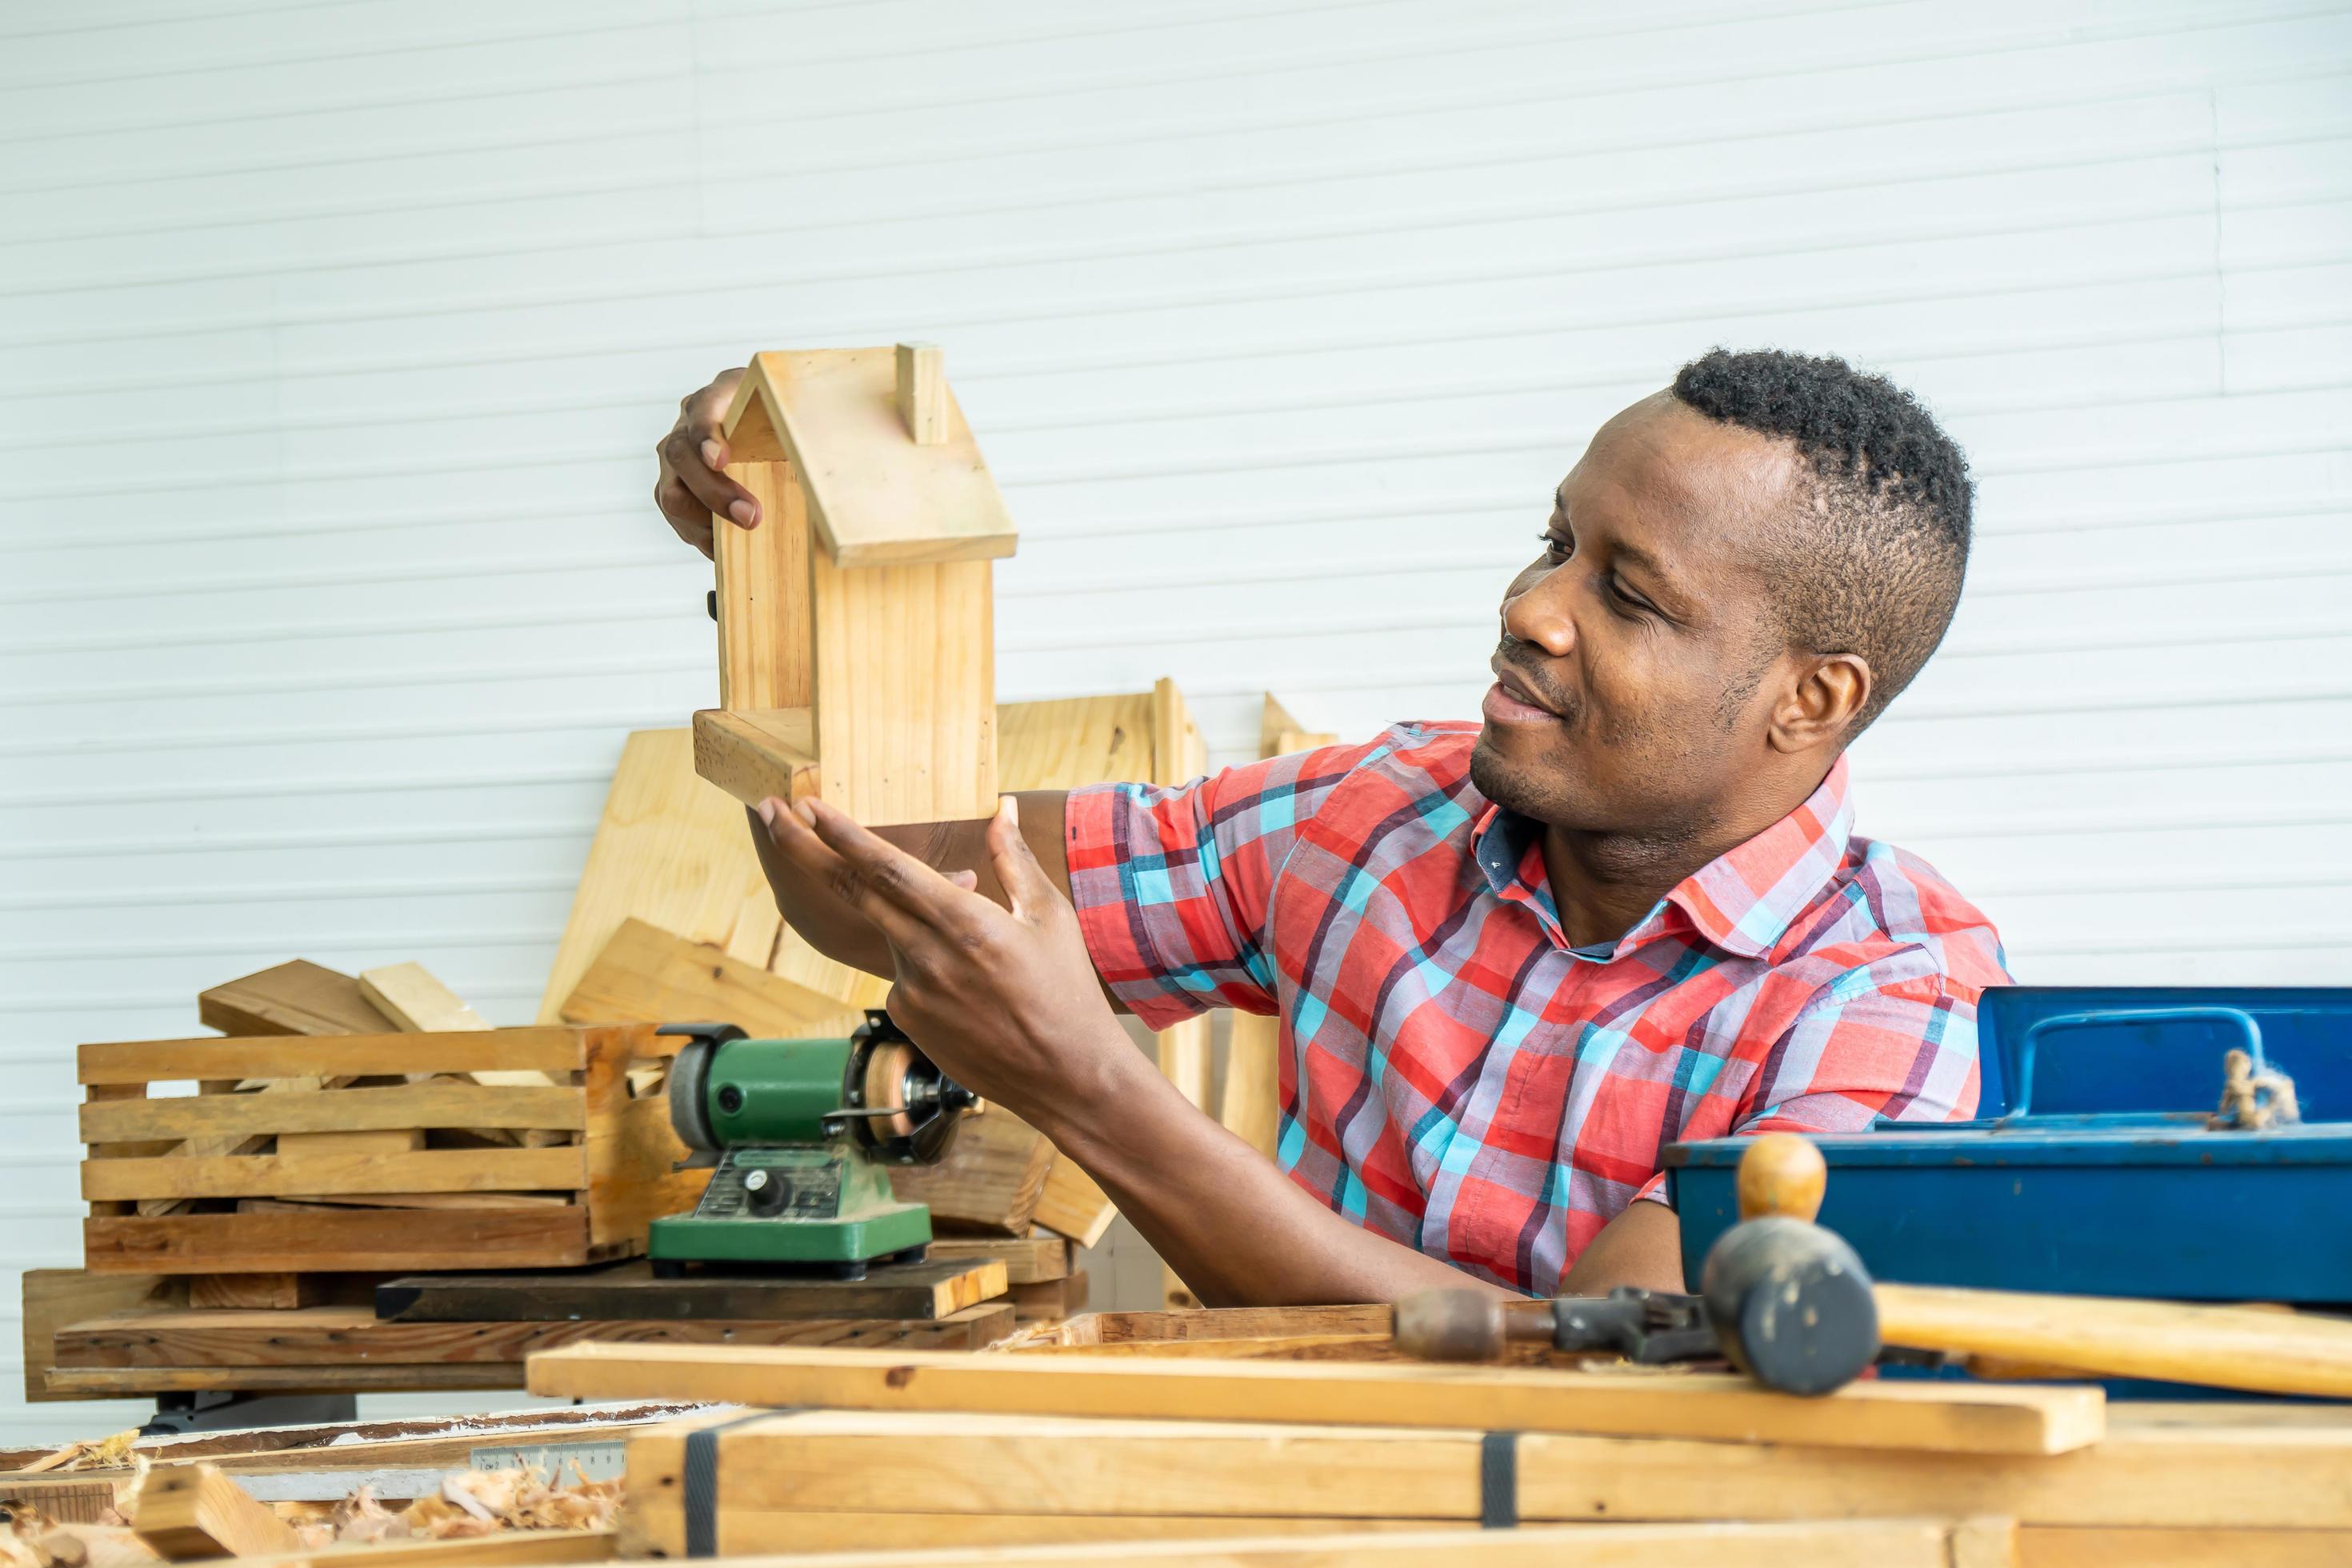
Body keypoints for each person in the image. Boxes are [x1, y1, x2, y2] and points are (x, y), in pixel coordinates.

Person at [651, 347, 2008, 1306]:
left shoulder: (1895, 998)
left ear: (1812, 699)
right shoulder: (1378, 818)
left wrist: (1092, 1092)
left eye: (1631, 597)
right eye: (1555, 544)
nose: (1532, 606)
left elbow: (1607, 1379)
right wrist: (785, 578)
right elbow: (879, 873)